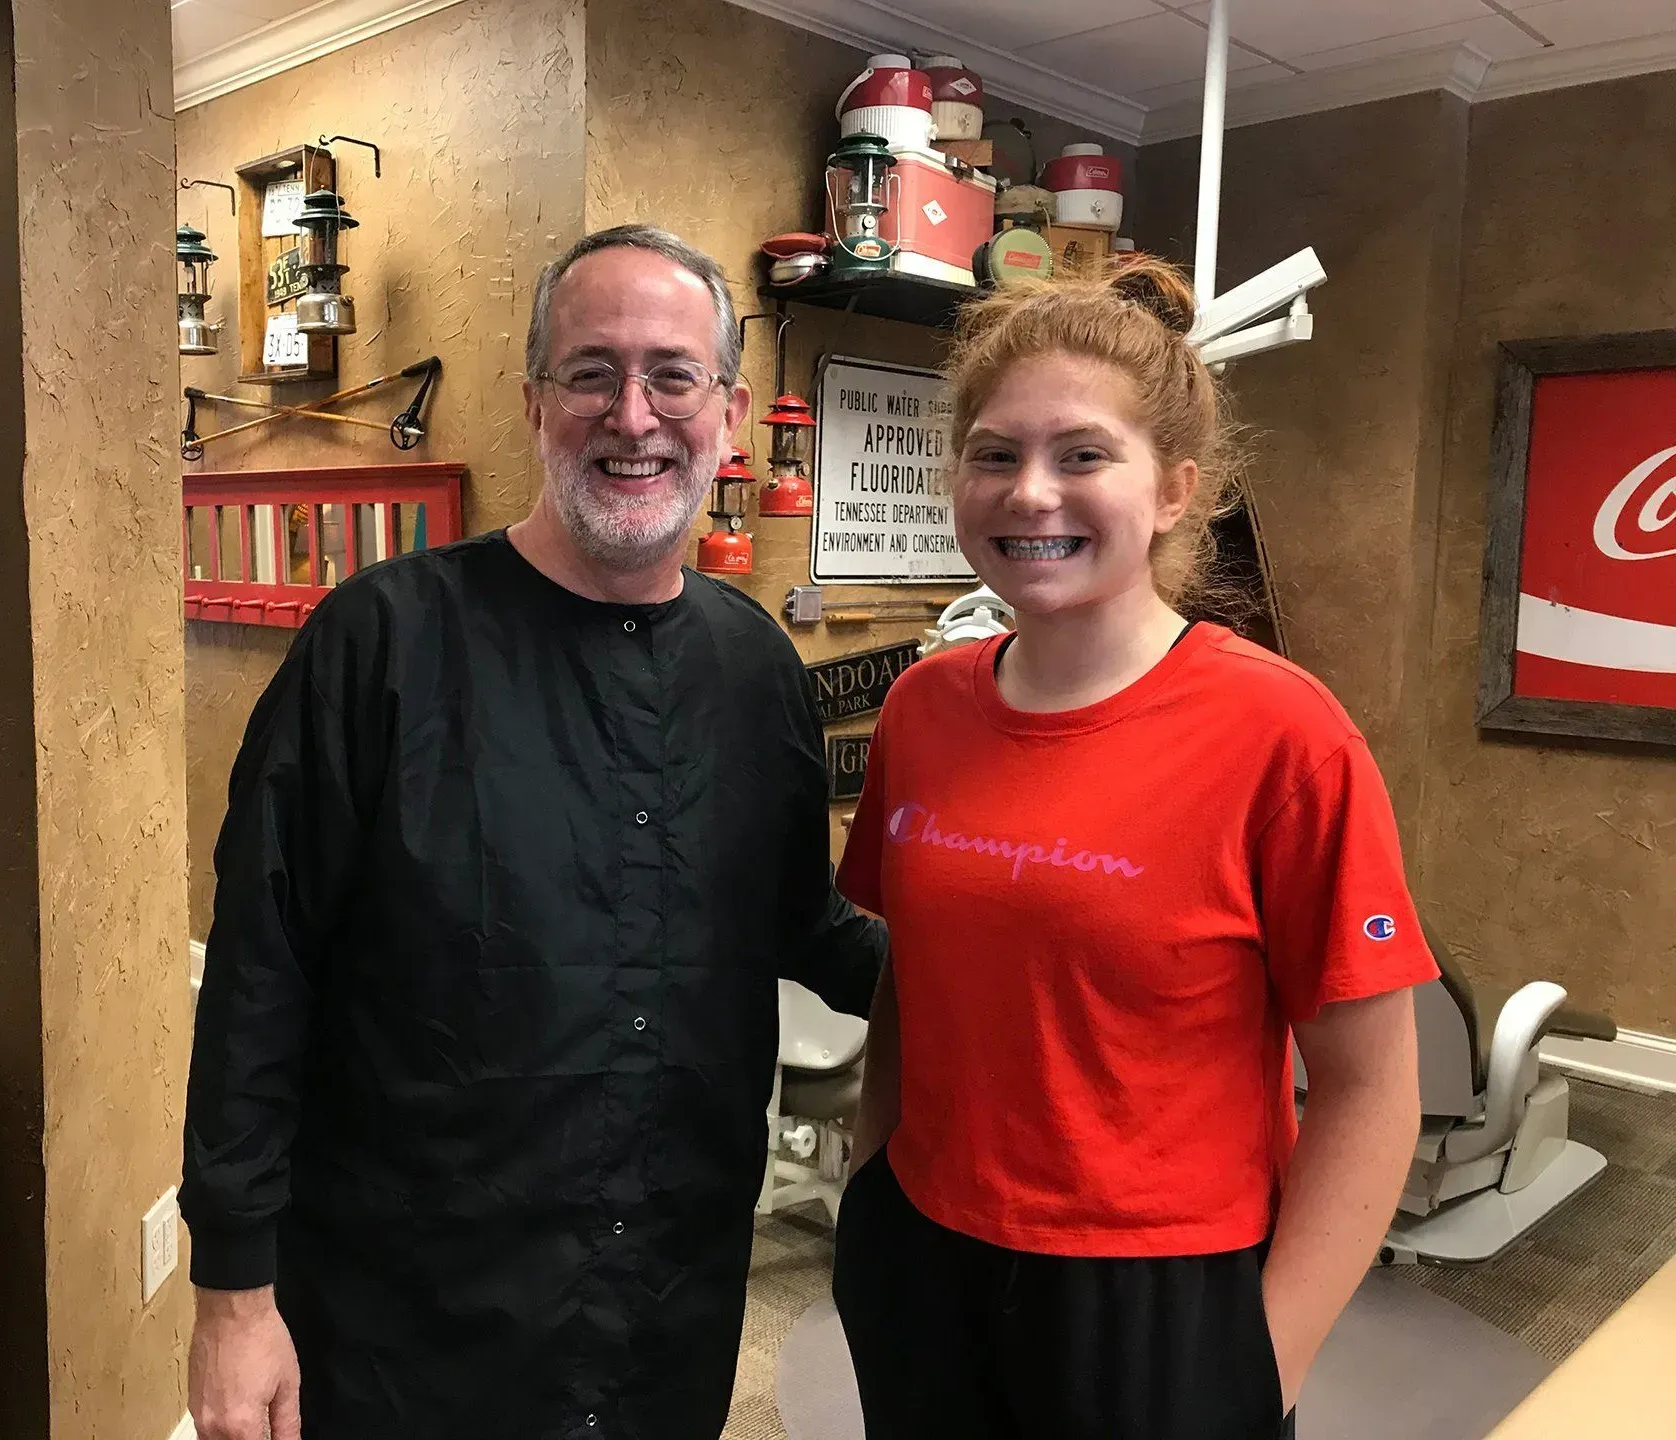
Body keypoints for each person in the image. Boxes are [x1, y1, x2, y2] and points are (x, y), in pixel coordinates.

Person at [181, 224, 885, 1440]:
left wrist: (1023, 980)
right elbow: (259, 974)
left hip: (664, 1314)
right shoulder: (380, 644)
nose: (633, 416)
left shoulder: (755, 669)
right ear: (533, 402)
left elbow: (798, 924)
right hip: (408, 1329)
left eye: (673, 377)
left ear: (726, 414)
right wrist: (235, 1296)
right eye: (591, 372)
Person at [831, 258, 1436, 1440]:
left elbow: (1371, 1091)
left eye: (1083, 455)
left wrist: (1260, 1371)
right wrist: (870, 1182)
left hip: (1158, 1297)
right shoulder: (923, 709)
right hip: (926, 1259)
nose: (1030, 492)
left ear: (1173, 492)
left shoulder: (1283, 737)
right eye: (995, 454)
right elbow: (916, 973)